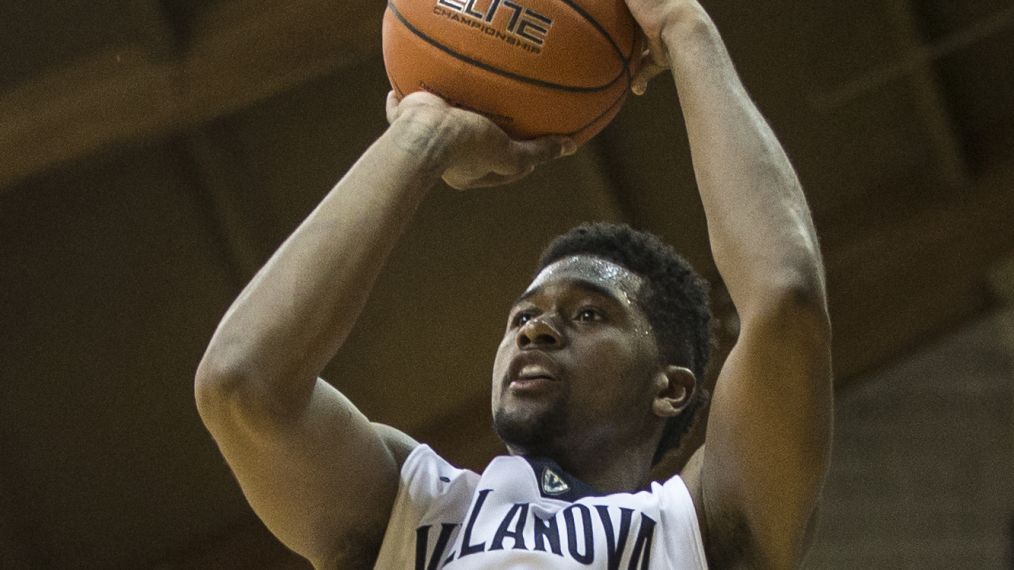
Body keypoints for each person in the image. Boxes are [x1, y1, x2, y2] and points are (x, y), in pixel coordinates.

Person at [194, 0, 833, 567]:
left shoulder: (701, 530)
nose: (537, 327)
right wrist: (423, 135)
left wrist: (685, 27)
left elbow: (786, 300)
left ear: (669, 387)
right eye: (521, 317)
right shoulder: (412, 509)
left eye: (589, 315)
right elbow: (242, 383)